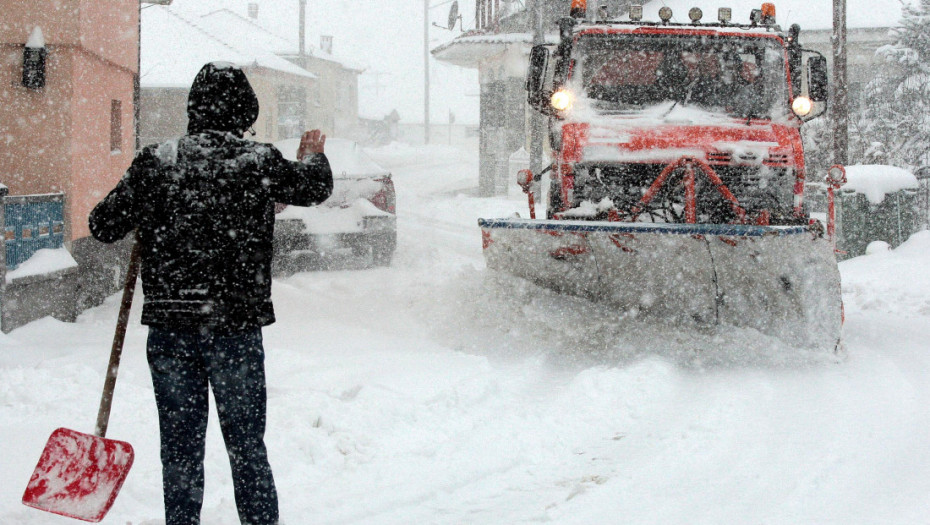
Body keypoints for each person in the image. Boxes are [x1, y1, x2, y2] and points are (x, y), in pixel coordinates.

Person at [89, 61, 333, 525]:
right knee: (246, 447)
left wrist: (148, 204)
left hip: (171, 329)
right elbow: (315, 187)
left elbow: (102, 224)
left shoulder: (156, 162)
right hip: (235, 329)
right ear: (245, 111)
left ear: (193, 109)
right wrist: (312, 157)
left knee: (180, 450)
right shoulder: (257, 161)